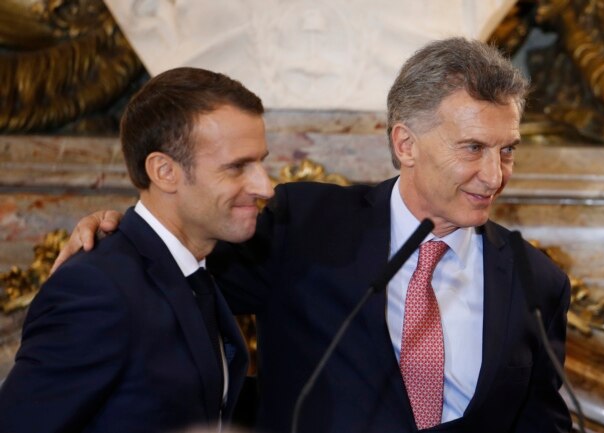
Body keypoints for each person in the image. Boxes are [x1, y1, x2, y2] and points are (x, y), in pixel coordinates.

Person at [51, 38, 572, 433]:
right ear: (405, 143)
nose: (495, 175)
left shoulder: (535, 280)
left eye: (507, 150)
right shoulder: (301, 226)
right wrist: (117, 236)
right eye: (473, 148)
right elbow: (177, 257)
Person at [0, 67, 275, 432]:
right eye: (238, 167)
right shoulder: (96, 289)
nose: (266, 187)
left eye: (261, 162)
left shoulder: (193, 269)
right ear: (164, 171)